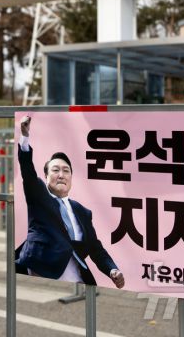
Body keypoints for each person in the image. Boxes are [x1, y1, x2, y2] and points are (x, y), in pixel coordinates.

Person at [15, 115, 125, 288]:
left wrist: (112, 270)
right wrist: (25, 136)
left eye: (66, 171)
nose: (61, 175)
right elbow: (27, 171)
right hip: (40, 268)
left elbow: (96, 248)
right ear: (46, 176)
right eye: (55, 170)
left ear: (71, 178)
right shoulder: (39, 196)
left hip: (75, 273)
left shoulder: (82, 211)